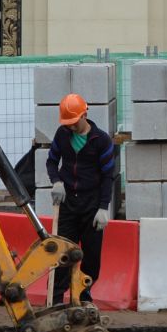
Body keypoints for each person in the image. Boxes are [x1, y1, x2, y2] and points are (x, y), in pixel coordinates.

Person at [45, 92, 117, 306]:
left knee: (91, 256)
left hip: (92, 204)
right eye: (68, 123)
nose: (71, 127)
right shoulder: (62, 134)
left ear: (84, 114)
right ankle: (56, 299)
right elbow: (51, 161)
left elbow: (108, 176)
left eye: (74, 122)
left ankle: (83, 296)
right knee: (63, 253)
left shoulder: (101, 140)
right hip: (68, 204)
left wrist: (104, 207)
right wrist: (56, 181)